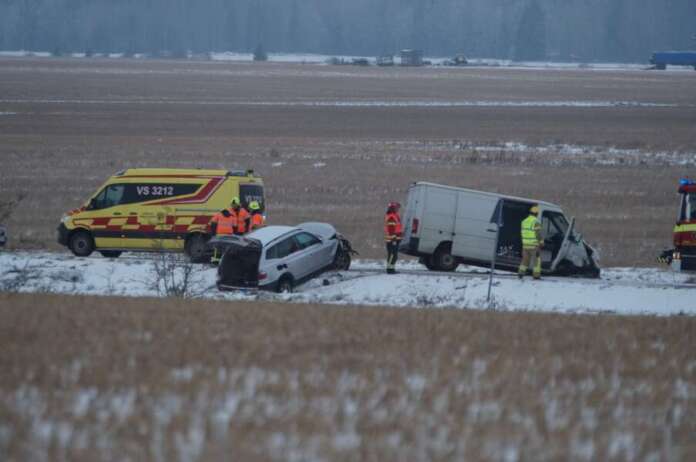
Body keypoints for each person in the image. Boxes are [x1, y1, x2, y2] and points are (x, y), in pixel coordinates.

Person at [518, 204, 543, 280]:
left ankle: (521, 273)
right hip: (534, 245)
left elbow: (523, 232)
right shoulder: (536, 222)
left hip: (525, 245)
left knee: (525, 260)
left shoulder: (524, 221)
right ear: (537, 214)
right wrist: (541, 242)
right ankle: (536, 275)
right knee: (537, 261)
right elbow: (538, 234)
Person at [384, 201, 403, 274]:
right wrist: (394, 239)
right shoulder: (392, 216)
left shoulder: (394, 215)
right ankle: (390, 269)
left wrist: (400, 234)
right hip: (392, 240)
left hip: (394, 239)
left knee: (393, 255)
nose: (398, 209)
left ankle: (391, 268)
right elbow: (391, 229)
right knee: (392, 255)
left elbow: (396, 227)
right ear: (393, 208)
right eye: (397, 208)